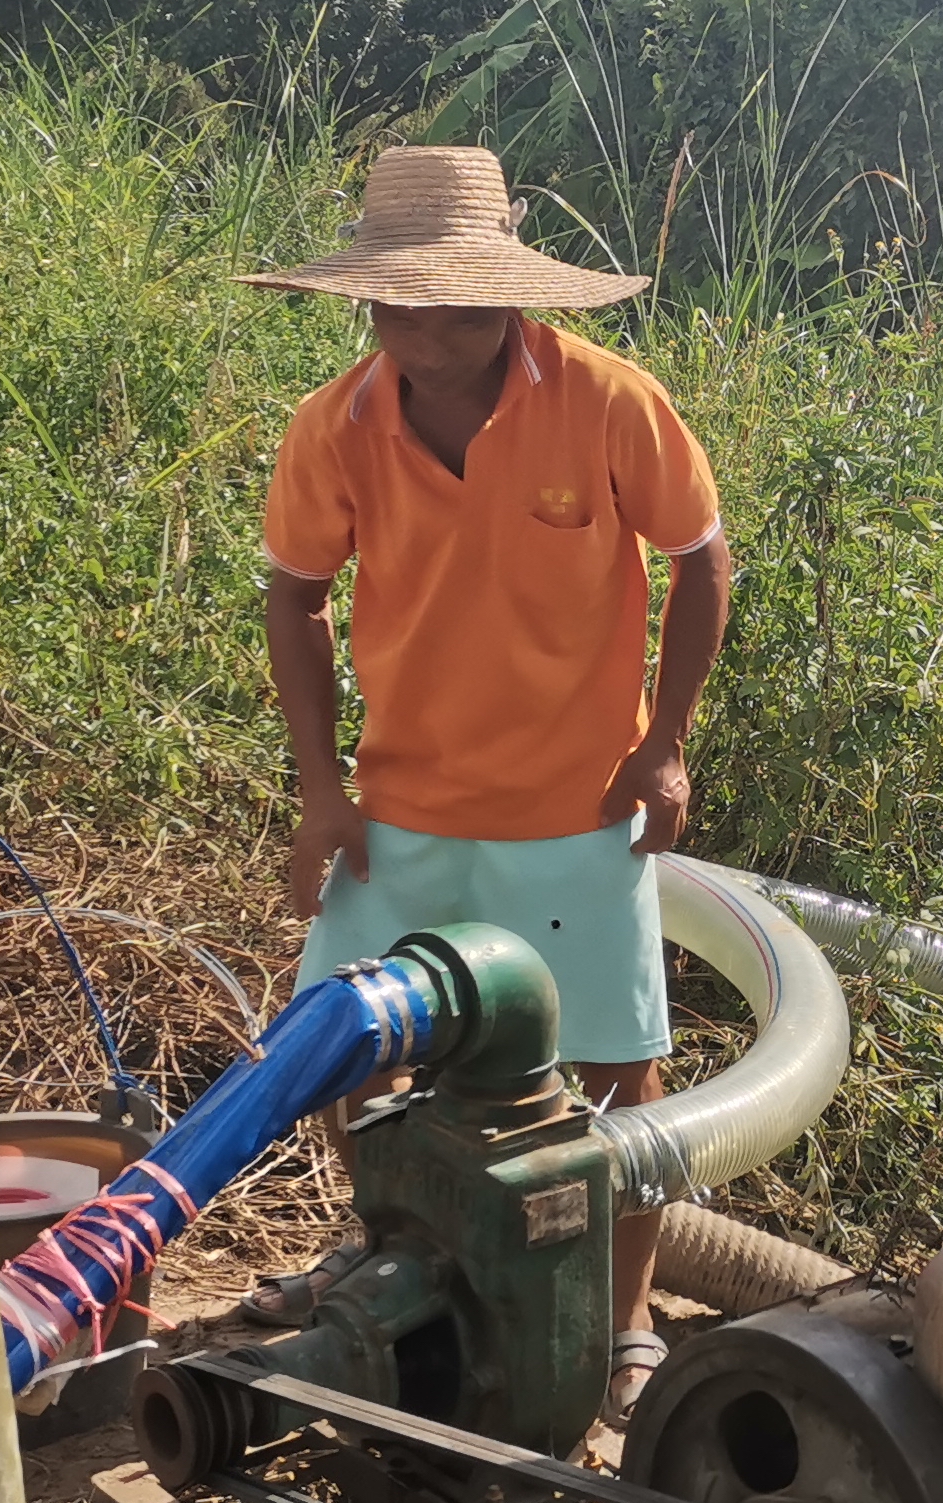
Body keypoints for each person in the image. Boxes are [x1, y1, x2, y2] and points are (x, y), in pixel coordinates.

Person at [247, 146, 734, 1428]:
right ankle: (399, 1254)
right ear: (368, 303)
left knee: (617, 1069)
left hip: (579, 805)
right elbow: (293, 601)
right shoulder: (338, 425)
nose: (420, 330)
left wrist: (666, 742)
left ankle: (623, 1324)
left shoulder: (607, 402)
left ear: (502, 300)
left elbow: (701, 559)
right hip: (401, 803)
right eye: (395, 304)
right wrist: (320, 791)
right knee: (345, 1052)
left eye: (447, 303)